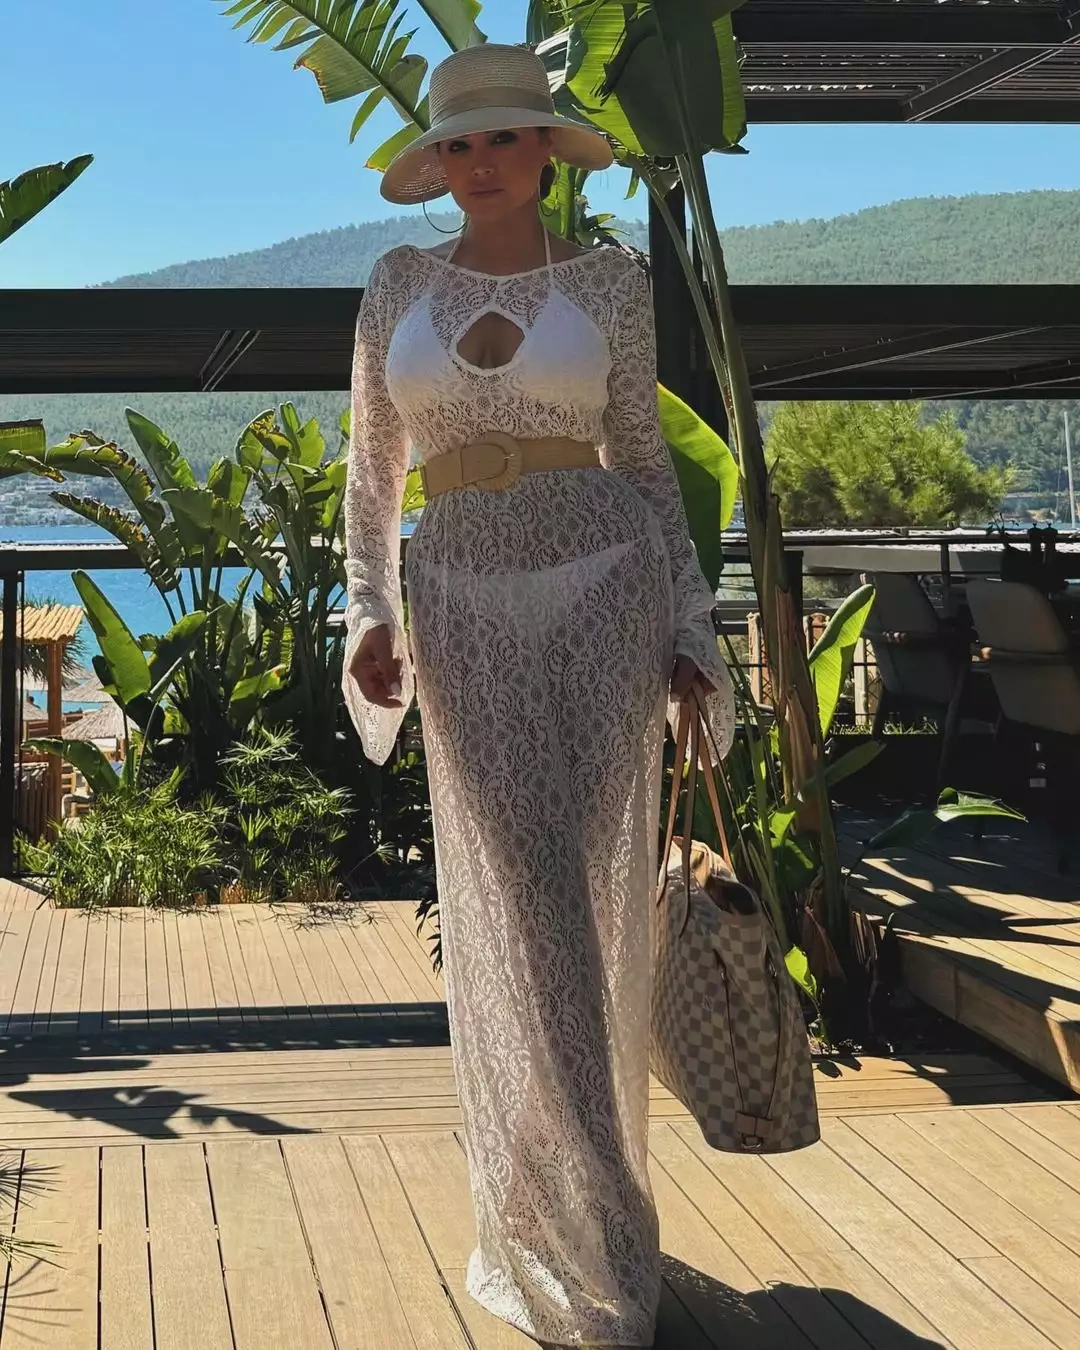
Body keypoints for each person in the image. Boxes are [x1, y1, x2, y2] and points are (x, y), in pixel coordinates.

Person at [344, 42, 734, 1350]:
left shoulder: (611, 281)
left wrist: (689, 624)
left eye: (505, 137)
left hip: (607, 587)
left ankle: (588, 1215)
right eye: (460, 142)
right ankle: (583, 1212)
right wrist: (370, 611)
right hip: (459, 599)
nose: (482, 161)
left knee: (586, 895)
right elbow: (372, 477)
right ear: (438, 162)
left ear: (547, 151)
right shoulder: (398, 283)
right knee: (529, 899)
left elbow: (646, 463)